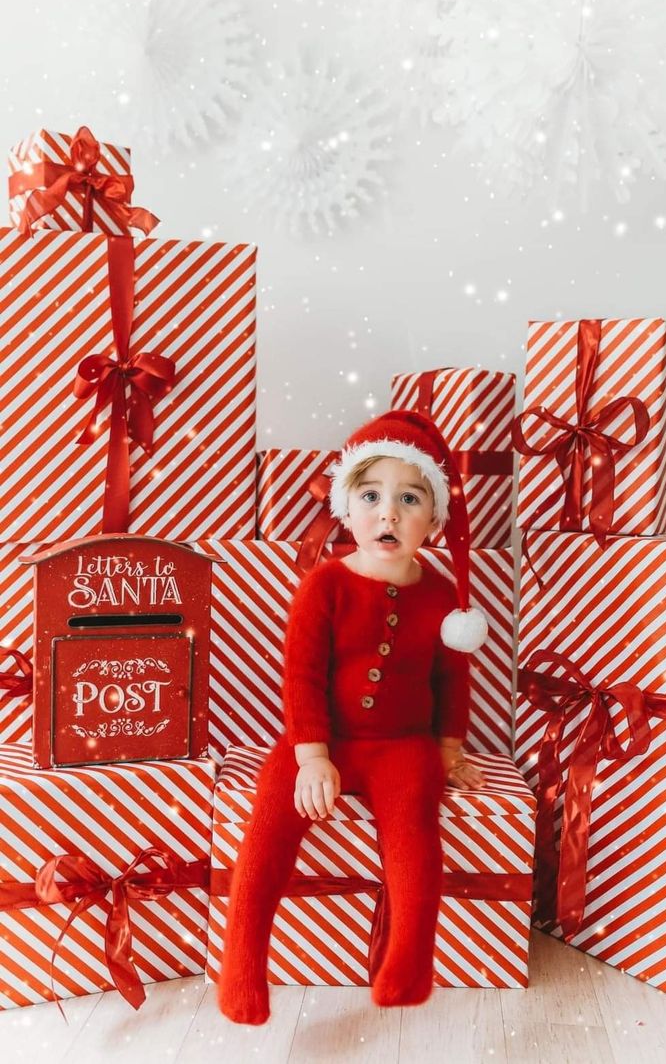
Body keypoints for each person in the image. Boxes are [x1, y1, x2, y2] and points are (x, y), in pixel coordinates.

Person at [219, 409, 489, 1024]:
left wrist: (449, 749)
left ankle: (409, 961)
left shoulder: (442, 594)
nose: (388, 513)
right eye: (371, 496)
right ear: (347, 506)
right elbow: (302, 676)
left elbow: (452, 677)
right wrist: (311, 755)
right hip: (322, 739)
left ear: (435, 518)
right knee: (267, 827)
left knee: (414, 835)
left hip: (402, 744)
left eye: (409, 497)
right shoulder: (324, 586)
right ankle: (241, 962)